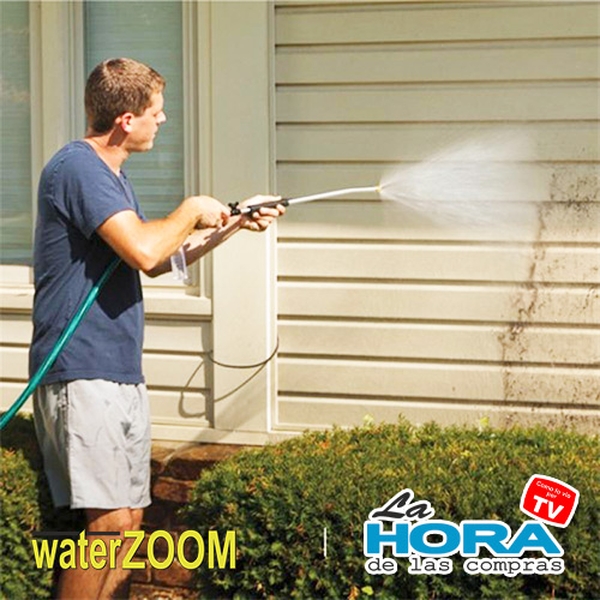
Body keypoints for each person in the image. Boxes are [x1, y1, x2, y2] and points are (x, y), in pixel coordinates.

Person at [29, 57, 285, 599]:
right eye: (156, 111)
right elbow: (146, 250)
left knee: (127, 524)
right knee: (107, 527)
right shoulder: (77, 168)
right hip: (82, 368)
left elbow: (159, 255)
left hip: (117, 368)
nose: (162, 120)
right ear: (126, 120)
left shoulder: (111, 177)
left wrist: (237, 221)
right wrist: (191, 207)